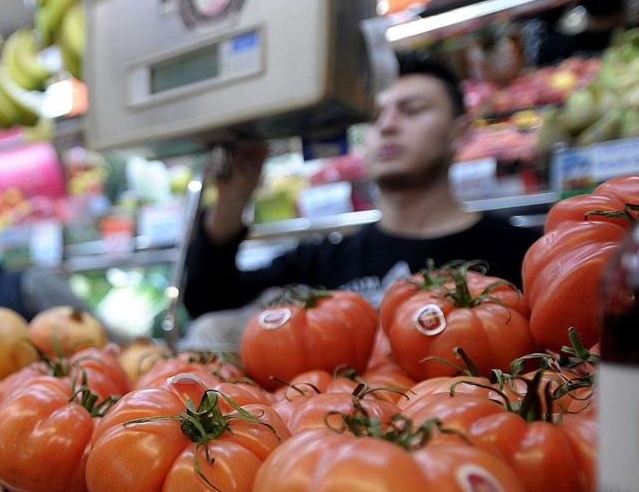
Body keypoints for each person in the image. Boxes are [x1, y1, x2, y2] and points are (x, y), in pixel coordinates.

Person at [182, 51, 538, 322]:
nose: (387, 126)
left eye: (411, 110)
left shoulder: (521, 256)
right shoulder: (323, 264)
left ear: (459, 132)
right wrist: (233, 197)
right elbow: (207, 303)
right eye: (374, 116)